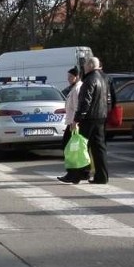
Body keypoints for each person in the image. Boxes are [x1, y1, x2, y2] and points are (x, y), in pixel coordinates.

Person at [75, 56, 109, 184]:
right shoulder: (104, 78)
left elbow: (85, 101)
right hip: (101, 116)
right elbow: (108, 99)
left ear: (89, 65)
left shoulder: (89, 80)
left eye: (84, 65)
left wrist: (78, 118)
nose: (83, 67)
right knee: (99, 148)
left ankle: (78, 175)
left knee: (82, 146)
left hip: (89, 117)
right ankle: (102, 176)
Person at [57, 66, 89, 184]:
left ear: (77, 77)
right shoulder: (75, 88)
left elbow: (77, 107)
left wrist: (75, 123)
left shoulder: (78, 89)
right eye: (68, 76)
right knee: (74, 148)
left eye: (71, 76)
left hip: (73, 123)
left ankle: (72, 174)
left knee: (70, 148)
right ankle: (83, 172)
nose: (68, 79)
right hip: (72, 121)